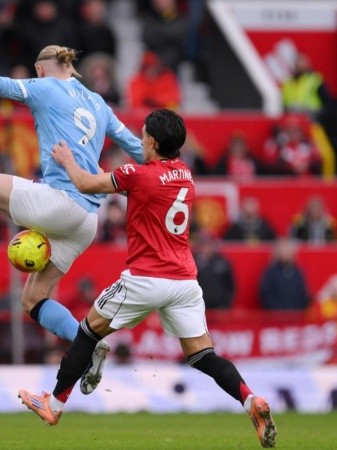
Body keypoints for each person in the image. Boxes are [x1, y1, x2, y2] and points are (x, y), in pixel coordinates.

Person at [18, 109, 277, 448]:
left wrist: (68, 160)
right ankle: (250, 400)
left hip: (145, 279)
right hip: (184, 282)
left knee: (86, 332)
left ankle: (53, 404)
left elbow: (85, 183)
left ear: (152, 142)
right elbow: (129, 182)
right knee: (202, 355)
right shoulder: (184, 174)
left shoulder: (135, 174)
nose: (139, 140)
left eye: (142, 136)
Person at [0, 27, 145, 390]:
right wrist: (169, 167)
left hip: (59, 201)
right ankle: (90, 345)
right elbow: (135, 147)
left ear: (41, 69)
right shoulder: (98, 103)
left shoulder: (45, 87)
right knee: (33, 300)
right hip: (86, 221)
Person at [258, 238, 310, 311]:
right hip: (275, 317)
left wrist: (298, 310)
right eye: (283, 251)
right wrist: (275, 310)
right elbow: (265, 294)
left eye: (288, 251)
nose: (285, 253)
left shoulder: (298, 272)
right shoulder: (271, 272)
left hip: (296, 316)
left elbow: (303, 294)